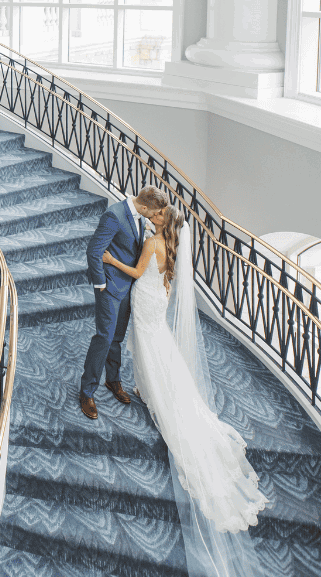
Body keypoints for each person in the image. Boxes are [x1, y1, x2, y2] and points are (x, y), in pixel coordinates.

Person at [103, 204, 268, 568]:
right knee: (158, 347)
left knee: (149, 347)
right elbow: (162, 278)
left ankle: (158, 395)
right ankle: (153, 389)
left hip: (146, 301)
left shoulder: (152, 244)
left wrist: (112, 261)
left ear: (165, 222)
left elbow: (135, 272)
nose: (154, 217)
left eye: (158, 215)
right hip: (158, 300)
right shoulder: (172, 247)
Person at [79, 184, 169, 420]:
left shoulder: (140, 217)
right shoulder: (114, 215)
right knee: (104, 337)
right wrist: (100, 284)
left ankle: (113, 380)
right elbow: (94, 251)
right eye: (154, 213)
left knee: (117, 337)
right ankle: (87, 391)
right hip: (109, 287)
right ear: (146, 206)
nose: (155, 217)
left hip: (130, 288)